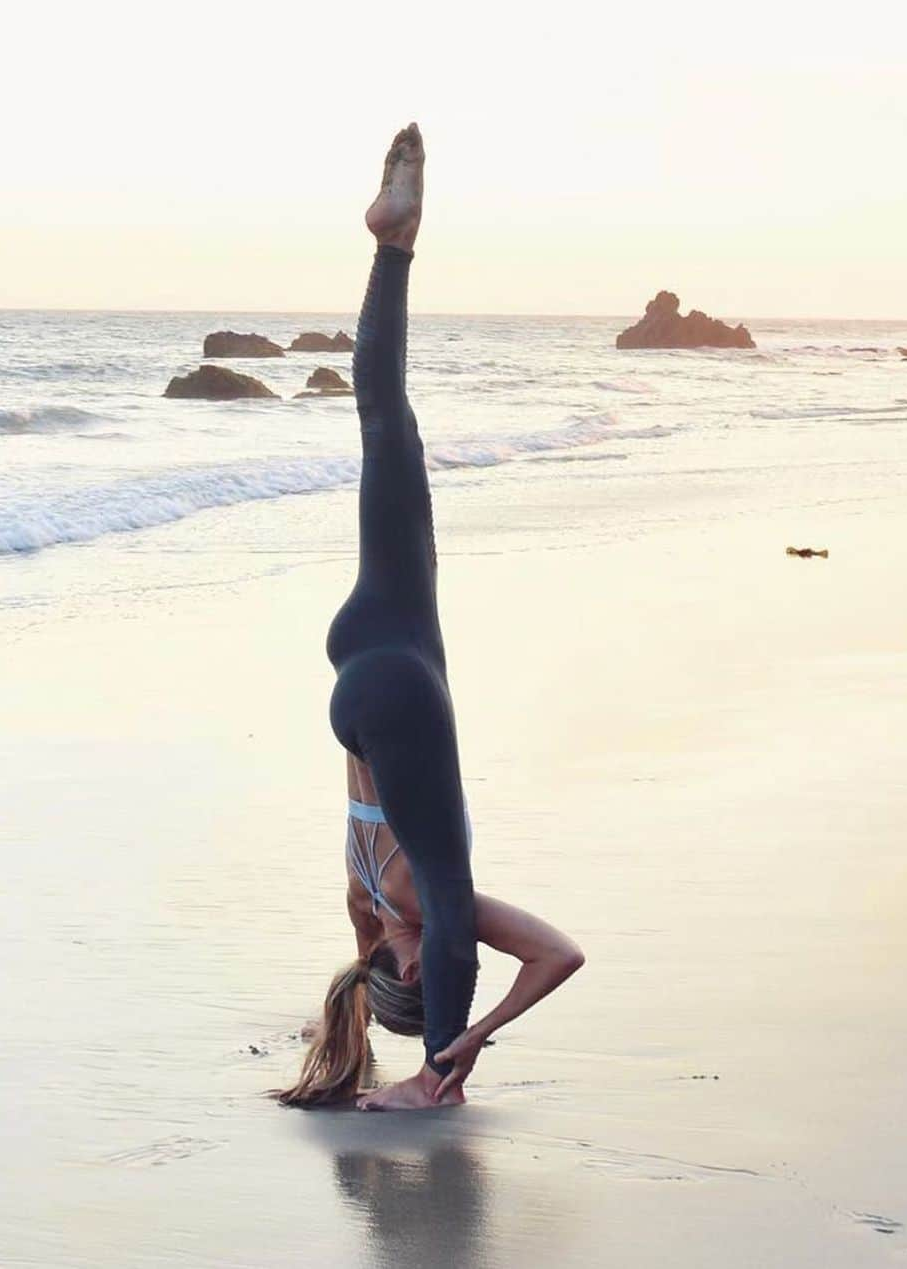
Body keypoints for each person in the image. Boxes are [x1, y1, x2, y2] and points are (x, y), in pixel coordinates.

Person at [279, 124, 583, 1112]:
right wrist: (384, 985)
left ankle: (394, 248)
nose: (437, 962)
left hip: (399, 679)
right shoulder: (365, 899)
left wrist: (452, 1057)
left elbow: (553, 953)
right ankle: (392, 248)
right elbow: (410, 944)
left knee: (386, 430)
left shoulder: (406, 907)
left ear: (406, 978)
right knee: (389, 429)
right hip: (367, 655)